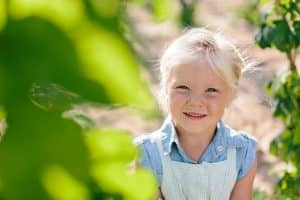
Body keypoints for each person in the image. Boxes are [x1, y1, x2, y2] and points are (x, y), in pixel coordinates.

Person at [134, 28, 257, 200]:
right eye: (183, 88)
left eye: (211, 90)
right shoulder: (147, 153)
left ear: (230, 95)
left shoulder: (242, 152)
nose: (195, 102)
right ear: (165, 89)